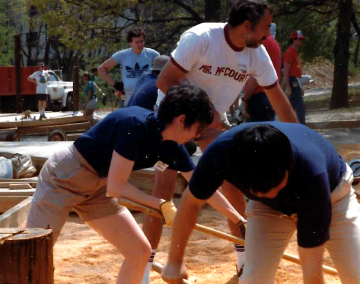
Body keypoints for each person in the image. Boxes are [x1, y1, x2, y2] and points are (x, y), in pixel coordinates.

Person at [26, 85, 243, 284]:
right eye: (198, 127)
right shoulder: (134, 125)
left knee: (140, 252)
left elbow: (203, 187)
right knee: (33, 253)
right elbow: (117, 188)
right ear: (181, 119)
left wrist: (239, 219)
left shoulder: (173, 148)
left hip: (99, 188)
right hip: (64, 178)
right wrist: (159, 204)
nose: (198, 135)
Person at [155, 0, 298, 277]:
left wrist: (299, 139)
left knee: (234, 185)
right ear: (246, 26)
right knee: (162, 193)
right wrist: (205, 111)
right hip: (174, 119)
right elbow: (165, 80)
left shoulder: (257, 53)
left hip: (211, 121)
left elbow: (278, 99)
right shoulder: (202, 38)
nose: (268, 35)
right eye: (265, 27)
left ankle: (243, 260)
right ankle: (150, 266)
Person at [162, 122, 360, 284]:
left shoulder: (312, 176)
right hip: (267, 209)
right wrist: (174, 260)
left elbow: (313, 274)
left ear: (288, 168)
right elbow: (190, 203)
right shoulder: (219, 156)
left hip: (334, 198)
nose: (268, 192)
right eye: (256, 188)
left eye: (273, 186)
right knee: (253, 280)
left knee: (355, 275)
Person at [98, 28, 160, 107]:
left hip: (146, 94)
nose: (140, 44)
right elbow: (101, 69)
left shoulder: (153, 54)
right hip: (127, 95)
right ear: (130, 43)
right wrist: (116, 84)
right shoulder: (122, 55)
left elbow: (163, 71)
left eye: (142, 41)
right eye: (137, 42)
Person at [242, 23, 281, 122]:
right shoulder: (273, 43)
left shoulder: (263, 43)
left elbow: (256, 74)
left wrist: (245, 98)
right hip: (268, 95)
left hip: (258, 97)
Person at [283, 30, 307, 124]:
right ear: (293, 39)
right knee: (300, 107)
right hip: (293, 81)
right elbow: (286, 70)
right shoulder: (290, 52)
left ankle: (291, 126)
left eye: (302, 40)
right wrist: (288, 86)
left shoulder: (295, 52)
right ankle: (302, 127)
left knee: (292, 107)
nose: (301, 42)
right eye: (300, 39)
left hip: (296, 81)